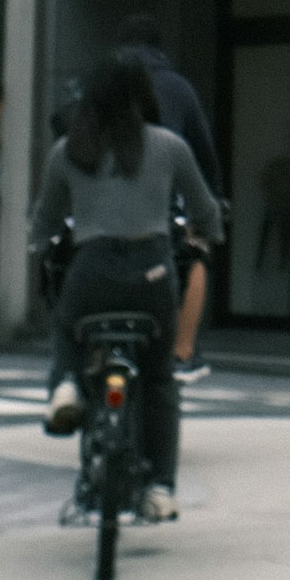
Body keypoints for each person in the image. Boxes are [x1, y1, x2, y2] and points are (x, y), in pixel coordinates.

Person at [32, 48, 223, 524]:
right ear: (144, 96)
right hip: (152, 277)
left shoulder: (69, 152)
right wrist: (209, 233)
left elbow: (43, 223)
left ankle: (69, 385)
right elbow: (205, 210)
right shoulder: (169, 146)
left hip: (91, 276)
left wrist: (41, 243)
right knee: (159, 379)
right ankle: (160, 488)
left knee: (65, 326)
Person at [115, 16, 223, 381]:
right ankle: (183, 350)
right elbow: (204, 156)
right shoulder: (177, 89)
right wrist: (213, 204)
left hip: (102, 209)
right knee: (195, 253)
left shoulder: (102, 86)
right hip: (164, 208)